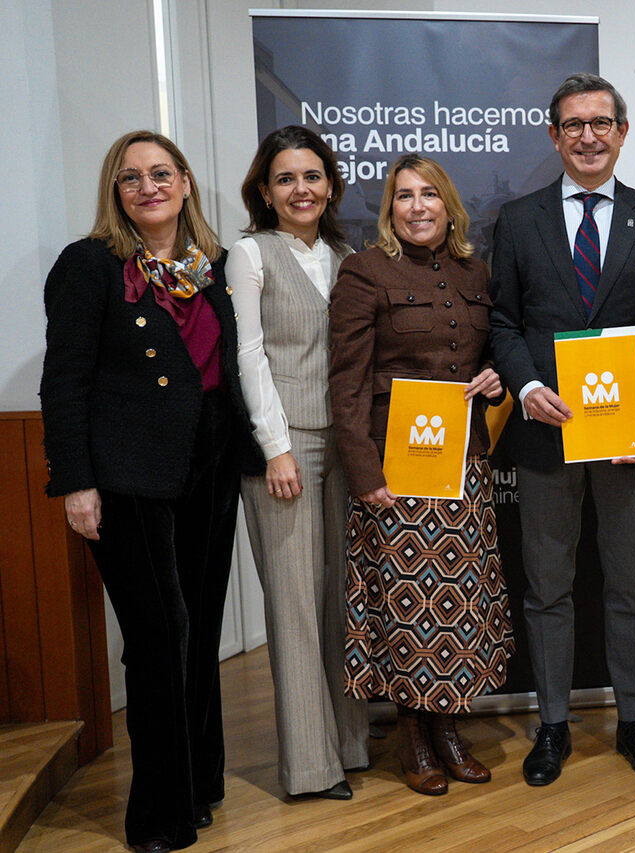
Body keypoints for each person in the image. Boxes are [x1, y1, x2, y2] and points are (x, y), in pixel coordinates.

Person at [40, 130, 264, 853]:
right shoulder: (89, 265)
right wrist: (76, 482)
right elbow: (63, 381)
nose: (149, 187)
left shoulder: (213, 265)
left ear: (186, 182)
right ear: (116, 191)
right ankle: (157, 815)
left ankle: (198, 785)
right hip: (128, 476)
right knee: (160, 636)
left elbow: (235, 364)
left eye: (161, 173)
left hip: (209, 465)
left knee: (197, 629)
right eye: (131, 177)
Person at [488, 72, 635, 786]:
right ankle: (552, 725)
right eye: (573, 125)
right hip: (546, 436)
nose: (588, 137)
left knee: (628, 586)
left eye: (601, 123)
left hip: (628, 440)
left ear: (622, 132)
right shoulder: (519, 220)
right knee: (547, 587)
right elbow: (503, 322)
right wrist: (526, 387)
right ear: (554, 136)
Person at [328, 154, 514, 796]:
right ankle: (414, 733)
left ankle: (449, 727)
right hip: (395, 467)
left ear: (449, 206)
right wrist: (363, 470)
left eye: (428, 194)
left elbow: (489, 353)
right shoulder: (364, 272)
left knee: (458, 604)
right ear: (390, 210)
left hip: (462, 463)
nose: (417, 206)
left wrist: (495, 379)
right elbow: (346, 381)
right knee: (409, 608)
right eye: (403, 196)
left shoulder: (475, 273)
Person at [227, 125, 368, 801]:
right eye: (285, 179)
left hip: (348, 445)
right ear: (265, 191)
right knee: (294, 604)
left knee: (342, 597)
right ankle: (311, 768)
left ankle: (351, 744)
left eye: (312, 176)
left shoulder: (347, 255)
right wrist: (274, 447)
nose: (301, 189)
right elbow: (248, 355)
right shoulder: (250, 254)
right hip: (286, 449)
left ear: (331, 186)